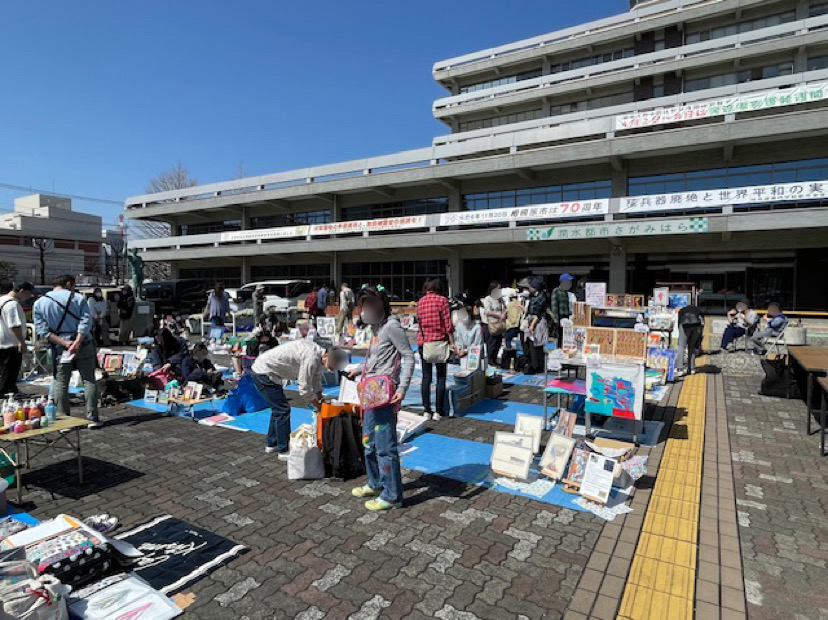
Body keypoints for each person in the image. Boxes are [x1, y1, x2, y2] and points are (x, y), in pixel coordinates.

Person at [348, 286, 414, 511]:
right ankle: (376, 483)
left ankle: (392, 496)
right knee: (369, 444)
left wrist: (402, 388)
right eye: (364, 306)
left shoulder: (391, 327)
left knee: (386, 447)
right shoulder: (376, 329)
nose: (366, 310)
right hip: (370, 393)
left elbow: (408, 356)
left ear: (382, 305)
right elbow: (375, 359)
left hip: (385, 395)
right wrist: (358, 369)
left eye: (371, 305)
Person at [251, 339, 348, 459]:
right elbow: (304, 388)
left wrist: (319, 394)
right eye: (329, 365)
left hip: (268, 371)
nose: (327, 369)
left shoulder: (317, 353)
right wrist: (316, 405)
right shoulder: (311, 357)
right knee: (283, 410)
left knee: (278, 409)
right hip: (264, 372)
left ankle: (271, 443)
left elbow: (316, 376)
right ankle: (283, 450)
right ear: (326, 356)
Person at [33, 275, 100, 428]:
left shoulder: (40, 303)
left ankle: (65, 420)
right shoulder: (78, 298)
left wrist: (64, 342)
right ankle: (92, 417)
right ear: (69, 284)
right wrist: (77, 341)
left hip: (60, 347)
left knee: (61, 382)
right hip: (83, 344)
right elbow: (86, 320)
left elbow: (43, 330)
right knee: (89, 379)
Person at [416, 278, 455, 421]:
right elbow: (448, 325)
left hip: (424, 343)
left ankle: (426, 409)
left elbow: (418, 322)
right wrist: (452, 343)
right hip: (440, 342)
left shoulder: (420, 302)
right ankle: (438, 411)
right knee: (441, 377)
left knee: (426, 377)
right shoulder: (442, 301)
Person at [0, 279, 29, 396]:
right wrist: (21, 342)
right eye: (28, 294)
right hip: (10, 342)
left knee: (4, 369)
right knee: (10, 370)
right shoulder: (12, 304)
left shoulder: (1, 300)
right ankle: (6, 392)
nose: (28, 297)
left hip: (2, 340)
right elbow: (15, 325)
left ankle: (11, 389)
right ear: (22, 291)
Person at [525, 277, 549, 374]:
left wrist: (532, 326)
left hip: (538, 322)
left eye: (531, 286)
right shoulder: (533, 297)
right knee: (532, 344)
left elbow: (538, 314)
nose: (529, 288)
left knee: (537, 344)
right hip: (532, 321)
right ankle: (535, 365)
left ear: (535, 287)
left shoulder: (541, 297)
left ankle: (538, 366)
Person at [482, 282, 506, 367]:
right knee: (491, 343)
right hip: (490, 324)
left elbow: (504, 308)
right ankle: (490, 360)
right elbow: (488, 311)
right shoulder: (488, 299)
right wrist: (498, 315)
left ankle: (495, 359)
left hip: (499, 324)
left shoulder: (500, 299)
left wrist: (503, 314)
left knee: (498, 343)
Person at [676, 302, 704, 375]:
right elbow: (702, 322)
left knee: (681, 346)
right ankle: (692, 369)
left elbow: (679, 322)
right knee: (692, 346)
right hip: (697, 326)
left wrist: (680, 330)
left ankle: (679, 369)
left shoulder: (682, 310)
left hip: (685, 325)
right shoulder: (698, 310)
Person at [549, 274, 574, 348]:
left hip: (566, 317)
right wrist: (555, 320)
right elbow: (554, 306)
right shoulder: (556, 291)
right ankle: (558, 350)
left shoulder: (566, 293)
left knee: (565, 336)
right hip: (559, 317)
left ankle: (563, 349)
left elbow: (567, 306)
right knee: (559, 336)